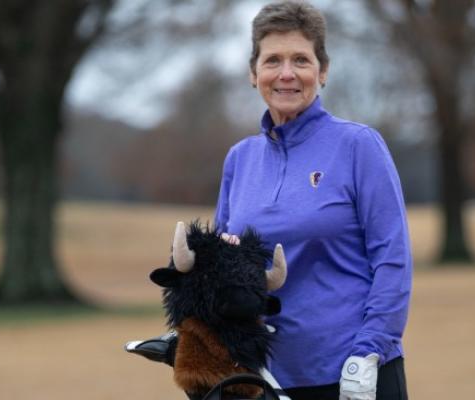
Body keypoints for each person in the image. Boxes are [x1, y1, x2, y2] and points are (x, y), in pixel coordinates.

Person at [129, 2, 412, 399]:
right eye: (272, 60)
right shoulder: (239, 159)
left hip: (354, 375)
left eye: (301, 59)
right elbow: (223, 275)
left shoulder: (358, 146)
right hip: (262, 378)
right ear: (253, 73)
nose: (286, 74)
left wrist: (370, 349)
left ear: (323, 70)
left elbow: (392, 260)